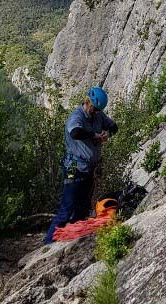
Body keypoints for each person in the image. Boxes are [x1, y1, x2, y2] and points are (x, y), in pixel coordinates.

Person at [44, 86, 118, 243]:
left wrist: (107, 134)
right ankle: (48, 243)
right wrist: (94, 134)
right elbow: (75, 132)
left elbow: (113, 126)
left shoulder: (98, 115)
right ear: (88, 101)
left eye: (99, 110)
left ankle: (71, 237)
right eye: (95, 109)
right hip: (72, 166)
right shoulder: (76, 116)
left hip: (89, 168)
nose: (96, 112)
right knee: (67, 206)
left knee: (83, 206)